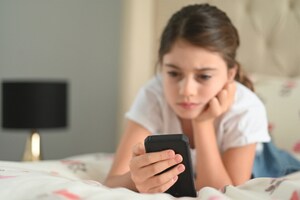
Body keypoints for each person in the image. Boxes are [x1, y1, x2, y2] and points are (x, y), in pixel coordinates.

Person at [104, 3, 300, 193]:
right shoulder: (153, 94)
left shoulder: (246, 108)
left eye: (204, 76)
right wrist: (135, 179)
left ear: (230, 74)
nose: (186, 90)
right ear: (162, 66)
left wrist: (203, 122)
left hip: (267, 163)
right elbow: (112, 181)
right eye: (173, 73)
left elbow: (226, 192)